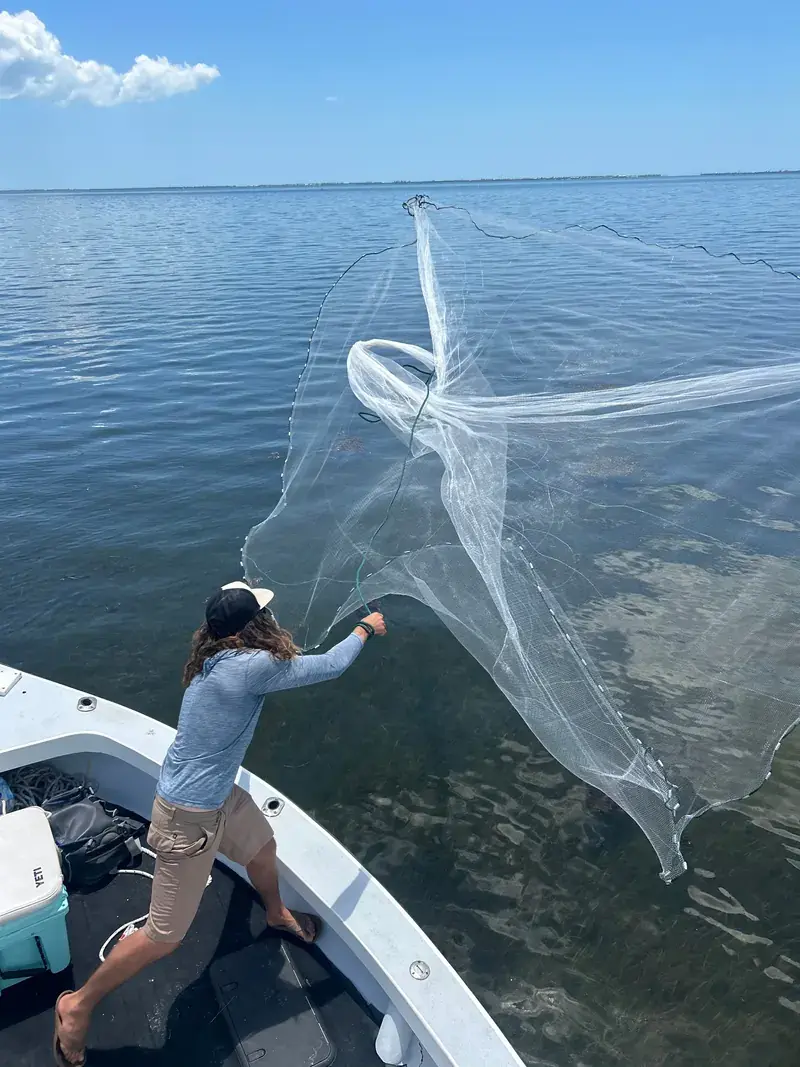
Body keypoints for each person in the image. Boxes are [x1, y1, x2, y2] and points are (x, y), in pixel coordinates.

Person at [53, 580, 386, 1066]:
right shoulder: (252, 667)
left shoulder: (214, 660)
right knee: (163, 937)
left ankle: (275, 913)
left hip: (216, 796)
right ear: (253, 627)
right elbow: (331, 665)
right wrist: (365, 628)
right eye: (264, 616)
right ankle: (76, 1007)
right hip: (188, 817)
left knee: (262, 848)